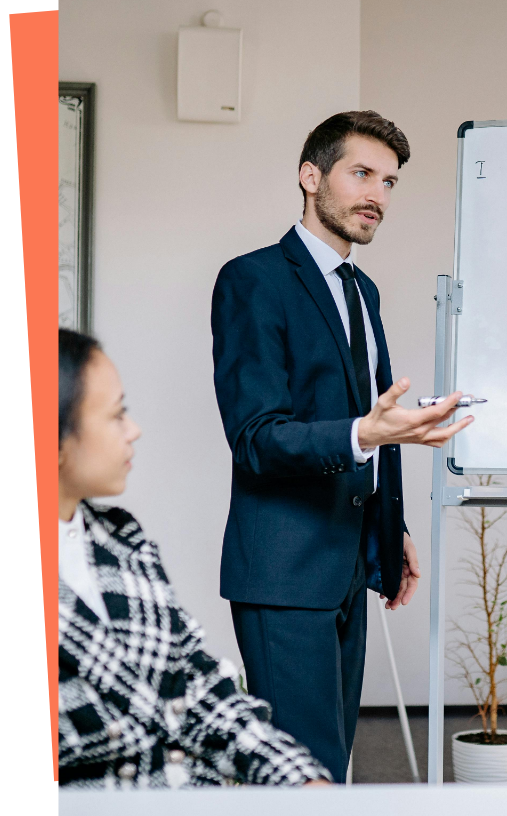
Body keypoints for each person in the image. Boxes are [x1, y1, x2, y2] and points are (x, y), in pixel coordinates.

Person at [211, 110, 473, 782]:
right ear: (310, 176)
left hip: (351, 566)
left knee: (333, 765)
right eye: (361, 174)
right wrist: (367, 433)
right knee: (303, 774)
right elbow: (258, 439)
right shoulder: (253, 279)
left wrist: (394, 525)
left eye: (389, 182)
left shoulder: (364, 290)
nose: (377, 196)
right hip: (284, 571)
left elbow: (375, 420)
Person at [58, 328, 332, 789]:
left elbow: (200, 685)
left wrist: (302, 781)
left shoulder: (122, 540)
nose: (134, 430)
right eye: (117, 415)